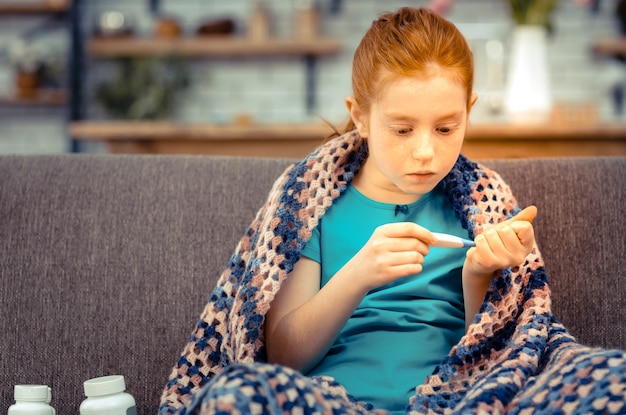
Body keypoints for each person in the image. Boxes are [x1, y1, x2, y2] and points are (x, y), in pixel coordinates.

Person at [159, 7, 626, 415]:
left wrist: (478, 273)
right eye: (402, 130)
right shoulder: (306, 203)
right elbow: (283, 358)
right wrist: (359, 271)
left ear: (470, 110)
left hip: (462, 399)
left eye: (446, 128)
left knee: (612, 376)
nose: (425, 152)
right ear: (360, 116)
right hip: (327, 400)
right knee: (237, 394)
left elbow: (495, 356)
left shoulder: (485, 200)